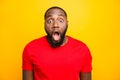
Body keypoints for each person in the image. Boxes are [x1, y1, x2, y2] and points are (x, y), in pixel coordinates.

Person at [22, 6, 92, 80]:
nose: (55, 25)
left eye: (60, 20)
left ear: (67, 24)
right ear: (44, 24)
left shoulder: (82, 49)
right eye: (50, 21)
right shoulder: (30, 48)